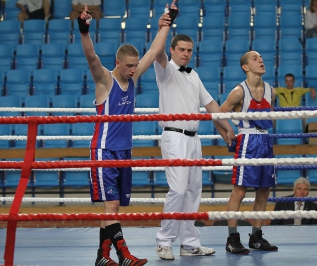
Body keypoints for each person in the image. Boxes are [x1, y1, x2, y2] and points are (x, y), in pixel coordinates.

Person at [79, 2, 173, 265]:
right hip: (104, 151)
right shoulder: (105, 80)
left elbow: (155, 50)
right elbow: (91, 58)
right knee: (111, 206)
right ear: (118, 62)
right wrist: (84, 31)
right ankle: (124, 255)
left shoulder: (132, 79)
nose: (133, 69)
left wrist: (166, 23)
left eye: (135, 65)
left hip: (124, 152)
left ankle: (101, 256)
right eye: (129, 65)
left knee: (113, 208)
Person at [153, 9, 236, 261]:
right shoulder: (165, 70)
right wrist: (163, 26)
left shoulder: (195, 76)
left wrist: (226, 127)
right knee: (177, 190)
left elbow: (211, 105)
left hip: (193, 139)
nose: (186, 53)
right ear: (173, 50)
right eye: (181, 50)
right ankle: (164, 241)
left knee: (193, 191)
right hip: (174, 136)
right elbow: (156, 52)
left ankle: (189, 242)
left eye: (189, 50)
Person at [219, 50, 278, 255]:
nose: (261, 60)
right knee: (240, 191)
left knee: (264, 191)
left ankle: (256, 237)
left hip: (265, 141)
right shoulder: (239, 92)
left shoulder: (272, 91)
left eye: (261, 57)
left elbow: (271, 118)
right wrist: (228, 133)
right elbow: (218, 113)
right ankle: (232, 238)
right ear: (245, 67)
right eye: (255, 58)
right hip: (247, 141)